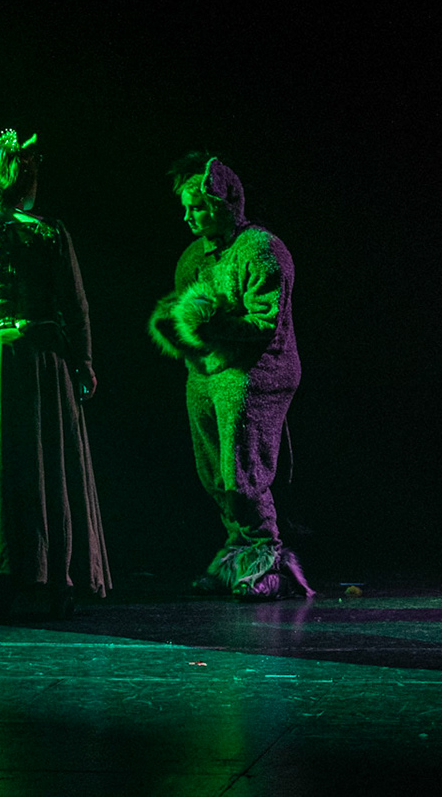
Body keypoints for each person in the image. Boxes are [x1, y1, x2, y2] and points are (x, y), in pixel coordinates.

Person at [0, 130, 109, 620]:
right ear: (21, 180)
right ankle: (55, 580)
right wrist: (84, 361)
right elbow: (75, 306)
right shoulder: (50, 233)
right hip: (41, 360)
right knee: (45, 463)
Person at [150, 153, 311, 601]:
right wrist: (178, 330)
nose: (188, 217)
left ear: (225, 203)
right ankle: (237, 554)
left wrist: (208, 323)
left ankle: (266, 558)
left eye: (198, 207)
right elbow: (187, 324)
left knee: (240, 471)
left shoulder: (261, 248)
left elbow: (266, 323)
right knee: (212, 473)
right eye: (185, 208)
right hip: (206, 370)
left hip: (256, 371)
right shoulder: (192, 257)